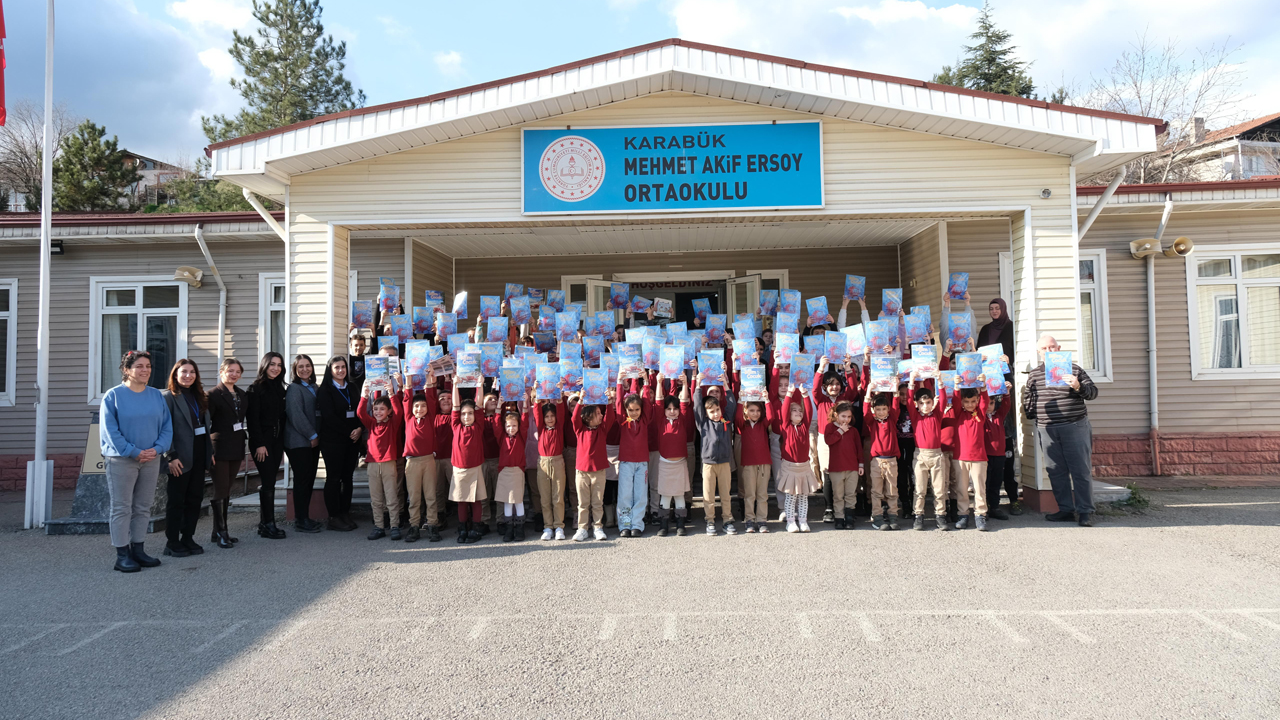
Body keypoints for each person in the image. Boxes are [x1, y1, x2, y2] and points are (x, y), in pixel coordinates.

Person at [101, 350, 172, 572]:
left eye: (148, 366)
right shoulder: (113, 396)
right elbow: (110, 431)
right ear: (126, 370)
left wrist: (158, 449)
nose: (145, 370)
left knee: (143, 506)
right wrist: (133, 451)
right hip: (121, 460)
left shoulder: (156, 395)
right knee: (122, 507)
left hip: (151, 459)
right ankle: (122, 554)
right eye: (139, 366)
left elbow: (167, 427)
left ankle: (138, 550)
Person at [1022, 334, 1099, 526]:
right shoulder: (1035, 374)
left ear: (1059, 348)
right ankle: (1065, 509)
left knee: (1080, 469)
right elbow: (1029, 400)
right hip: (1047, 428)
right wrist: (1034, 414)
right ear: (1039, 353)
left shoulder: (1074, 369)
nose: (1049, 351)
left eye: (1052, 347)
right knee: (1055, 470)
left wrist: (1077, 385)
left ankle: (1085, 512)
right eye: (1045, 349)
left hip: (1074, 425)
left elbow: (1093, 393)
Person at [160, 359, 212, 557]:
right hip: (179, 458)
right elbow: (163, 429)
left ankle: (188, 537)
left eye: (192, 372)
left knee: (195, 499)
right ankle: (172, 542)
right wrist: (170, 456)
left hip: (199, 455)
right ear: (175, 374)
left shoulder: (200, 397)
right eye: (184, 372)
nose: (188, 375)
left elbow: (205, 428)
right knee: (176, 500)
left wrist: (210, 453)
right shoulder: (168, 397)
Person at [977, 298, 1019, 512]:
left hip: (1004, 384)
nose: (994, 311)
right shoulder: (985, 330)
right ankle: (987, 502)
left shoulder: (1013, 328)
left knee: (1005, 438)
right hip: (987, 385)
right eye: (991, 309)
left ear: (1003, 310)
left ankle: (1013, 498)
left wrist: (1007, 360)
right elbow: (976, 355)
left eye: (997, 308)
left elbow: (1016, 355)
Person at [246, 352, 288, 540]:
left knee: (270, 479)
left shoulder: (280, 388)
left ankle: (265, 524)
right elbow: (252, 420)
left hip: (277, 440)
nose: (275, 368)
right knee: (268, 479)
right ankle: (268, 524)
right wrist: (259, 444)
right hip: (262, 442)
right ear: (265, 365)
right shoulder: (255, 389)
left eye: (279, 365)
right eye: (272, 364)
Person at [318, 356, 362, 531]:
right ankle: (333, 517)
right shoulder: (325, 390)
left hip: (353, 440)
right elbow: (328, 417)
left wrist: (359, 428)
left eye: (343, 367)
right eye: (337, 367)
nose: (341, 370)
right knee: (334, 478)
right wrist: (348, 432)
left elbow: (359, 410)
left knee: (348, 478)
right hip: (333, 441)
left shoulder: (352, 387)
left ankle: (345, 513)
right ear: (330, 370)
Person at [207, 358, 247, 549]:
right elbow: (206, 425)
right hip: (219, 447)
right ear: (222, 372)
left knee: (228, 489)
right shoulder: (213, 395)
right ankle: (223, 532)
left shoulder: (241, 394)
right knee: (221, 489)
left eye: (237, 371)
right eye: (230, 371)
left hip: (237, 446)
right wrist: (208, 451)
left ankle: (218, 531)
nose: (234, 374)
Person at [693, 364, 738, 536]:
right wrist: (698, 385)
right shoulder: (703, 424)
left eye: (717, 410)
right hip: (708, 463)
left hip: (724, 462)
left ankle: (727, 520)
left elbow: (732, 405)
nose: (715, 414)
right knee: (708, 495)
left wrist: (726, 385)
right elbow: (697, 407)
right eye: (711, 411)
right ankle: (710, 521)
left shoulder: (726, 421)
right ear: (706, 413)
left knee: (725, 494)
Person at [571, 386, 618, 541]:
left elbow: (609, 418)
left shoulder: (602, 429)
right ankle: (582, 528)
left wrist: (610, 401)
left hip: (599, 470)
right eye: (598, 414)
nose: (601, 415)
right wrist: (581, 401)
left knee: (597, 502)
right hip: (582, 471)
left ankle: (598, 527)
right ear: (588, 417)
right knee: (583, 503)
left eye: (600, 413)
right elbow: (574, 418)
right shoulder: (580, 430)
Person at [359, 380, 404, 540]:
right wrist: (365, 394)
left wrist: (391, 392)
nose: (378, 412)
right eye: (376, 409)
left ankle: (394, 526)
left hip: (388, 464)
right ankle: (379, 526)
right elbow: (360, 413)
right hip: (372, 464)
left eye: (382, 409)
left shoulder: (392, 424)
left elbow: (399, 410)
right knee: (376, 499)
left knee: (391, 497)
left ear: (389, 411)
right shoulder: (371, 424)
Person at [283, 354, 323, 534]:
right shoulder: (294, 389)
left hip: (312, 441)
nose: (305, 369)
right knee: (302, 480)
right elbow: (296, 415)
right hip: (300, 441)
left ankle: (305, 516)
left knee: (308, 480)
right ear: (295, 370)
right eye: (300, 367)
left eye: (308, 366)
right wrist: (312, 434)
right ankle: (300, 519)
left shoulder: (314, 386)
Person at [772, 383, 819, 533]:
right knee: (791, 497)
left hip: (803, 466)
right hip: (789, 466)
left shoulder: (805, 425)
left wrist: (805, 395)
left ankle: (803, 521)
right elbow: (784, 410)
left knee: (804, 497)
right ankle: (790, 522)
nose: (798, 413)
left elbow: (809, 411)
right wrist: (789, 395)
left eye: (800, 411)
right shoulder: (786, 426)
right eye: (794, 411)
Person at [908, 373, 952, 531]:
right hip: (920, 455)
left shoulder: (937, 414)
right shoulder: (915, 417)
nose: (925, 406)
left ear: (933, 403)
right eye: (921, 403)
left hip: (937, 455)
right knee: (919, 489)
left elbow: (944, 399)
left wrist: (940, 381)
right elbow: (908, 400)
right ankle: (918, 516)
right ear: (917, 405)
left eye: (928, 402)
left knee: (939, 489)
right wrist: (912, 381)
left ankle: (940, 516)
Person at [652, 373, 692, 537]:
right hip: (665, 464)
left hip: (680, 463)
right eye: (669, 409)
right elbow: (659, 402)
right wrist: (659, 382)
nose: (672, 411)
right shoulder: (660, 420)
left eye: (675, 409)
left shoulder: (681, 419)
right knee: (666, 496)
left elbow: (684, 403)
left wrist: (686, 383)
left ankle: (680, 525)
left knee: (680, 495)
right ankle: (664, 525)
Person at [402, 378, 441, 543]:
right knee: (414, 496)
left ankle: (432, 524)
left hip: (428, 461)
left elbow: (431, 398)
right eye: (416, 406)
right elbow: (406, 399)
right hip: (412, 462)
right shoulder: (409, 418)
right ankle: (414, 525)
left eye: (423, 406)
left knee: (431, 495)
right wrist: (408, 379)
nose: (420, 408)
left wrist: (431, 378)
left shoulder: (430, 419)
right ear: (412, 409)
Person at [450, 380, 490, 543]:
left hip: (475, 468)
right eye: (464, 413)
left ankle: (475, 526)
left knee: (476, 500)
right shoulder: (456, 426)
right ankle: (462, 527)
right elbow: (455, 406)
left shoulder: (478, 426)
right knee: (461, 500)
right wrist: (454, 385)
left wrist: (479, 385)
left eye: (470, 413)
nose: (467, 416)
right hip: (459, 469)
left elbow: (479, 404)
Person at [614, 375, 653, 538]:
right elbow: (617, 404)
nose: (634, 412)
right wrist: (618, 383)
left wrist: (645, 382)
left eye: (637, 409)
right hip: (626, 463)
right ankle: (625, 524)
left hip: (642, 463)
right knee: (625, 494)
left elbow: (647, 403)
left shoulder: (644, 420)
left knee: (640, 494)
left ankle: (637, 524)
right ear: (626, 410)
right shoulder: (623, 419)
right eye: (631, 410)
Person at [733, 390, 773, 534]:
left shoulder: (763, 424)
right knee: (750, 494)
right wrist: (740, 399)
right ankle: (749, 520)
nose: (755, 413)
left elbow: (771, 416)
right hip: (748, 464)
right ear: (746, 411)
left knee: (762, 494)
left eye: (757, 410)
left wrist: (767, 400)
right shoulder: (742, 425)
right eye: (751, 410)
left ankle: (762, 520)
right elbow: (737, 417)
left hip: (764, 463)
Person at [863, 384, 901, 531]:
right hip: (877, 461)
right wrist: (868, 390)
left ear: (888, 409)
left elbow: (896, 406)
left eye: (884, 409)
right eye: (878, 409)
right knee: (877, 491)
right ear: (874, 410)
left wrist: (896, 388)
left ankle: (893, 516)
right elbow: (865, 410)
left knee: (892, 490)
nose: (881, 412)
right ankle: (877, 517)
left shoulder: (892, 419)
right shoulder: (872, 422)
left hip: (891, 460)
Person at [821, 401, 864, 530]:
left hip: (852, 468)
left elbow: (859, 449)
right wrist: (840, 431)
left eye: (849, 417)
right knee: (838, 495)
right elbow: (829, 441)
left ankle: (849, 518)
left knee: (850, 494)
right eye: (843, 416)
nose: (846, 420)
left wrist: (860, 464)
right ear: (836, 415)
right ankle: (839, 518)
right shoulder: (830, 428)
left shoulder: (854, 430)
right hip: (836, 468)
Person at [534, 389, 568, 541]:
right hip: (543, 463)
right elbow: (536, 413)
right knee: (545, 497)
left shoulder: (559, 427)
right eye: (546, 416)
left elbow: (561, 412)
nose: (549, 419)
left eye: (552, 416)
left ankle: (559, 526)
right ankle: (548, 527)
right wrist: (536, 397)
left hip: (558, 462)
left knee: (558, 496)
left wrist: (559, 398)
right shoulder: (541, 428)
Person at [494, 401, 529, 542]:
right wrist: (498, 406)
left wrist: (525, 403)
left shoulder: (521, 436)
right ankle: (509, 528)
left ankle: (520, 528)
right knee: (507, 502)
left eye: (514, 425)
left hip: (517, 471)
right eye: (508, 426)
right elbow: (496, 425)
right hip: (504, 471)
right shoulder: (502, 437)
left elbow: (525, 421)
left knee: (518, 501)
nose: (511, 428)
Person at [984, 384, 1014, 521]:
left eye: (992, 403)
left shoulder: (998, 416)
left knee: (996, 483)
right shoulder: (979, 418)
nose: (989, 406)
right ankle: (983, 509)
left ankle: (995, 508)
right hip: (985, 456)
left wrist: (1007, 392)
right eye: (987, 403)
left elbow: (1006, 405)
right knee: (985, 483)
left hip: (999, 456)